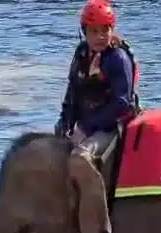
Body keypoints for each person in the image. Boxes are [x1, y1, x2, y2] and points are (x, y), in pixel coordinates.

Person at [55, 0, 140, 177]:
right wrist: (64, 124)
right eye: (94, 31)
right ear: (84, 31)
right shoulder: (82, 54)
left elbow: (121, 104)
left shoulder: (118, 59)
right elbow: (72, 94)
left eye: (105, 30)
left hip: (112, 126)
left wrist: (86, 128)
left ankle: (94, 204)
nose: (100, 36)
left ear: (112, 30)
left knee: (80, 158)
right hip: (87, 124)